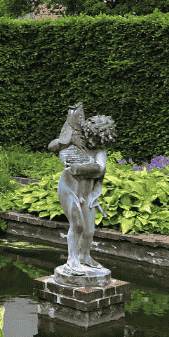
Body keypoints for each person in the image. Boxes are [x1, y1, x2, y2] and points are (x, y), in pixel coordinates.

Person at [48, 104, 116, 273]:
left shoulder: (100, 149)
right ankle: (72, 260)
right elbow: (52, 147)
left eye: (97, 141)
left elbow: (100, 168)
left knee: (89, 230)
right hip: (69, 188)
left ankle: (85, 256)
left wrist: (80, 168)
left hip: (87, 193)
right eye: (91, 138)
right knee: (77, 225)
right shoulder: (76, 140)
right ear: (88, 131)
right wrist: (67, 141)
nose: (92, 143)